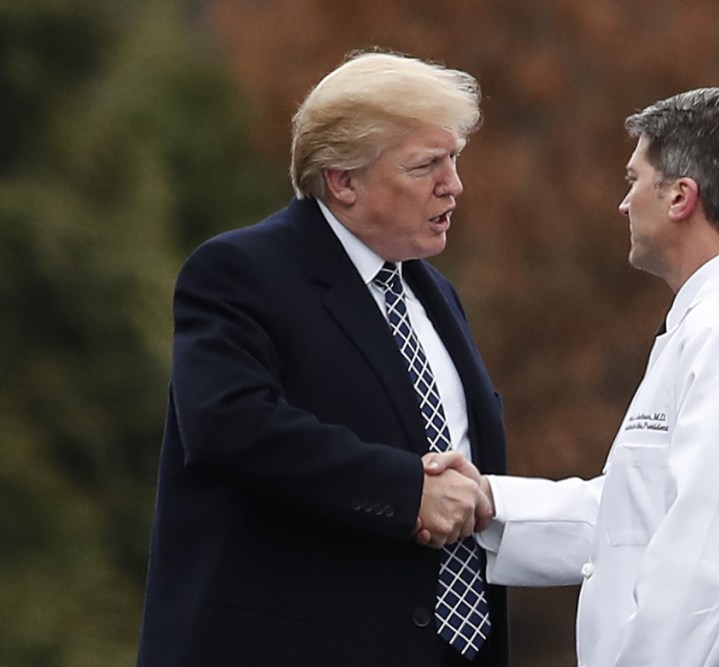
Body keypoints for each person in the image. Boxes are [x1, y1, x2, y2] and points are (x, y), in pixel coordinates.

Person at [427, 87, 719, 667]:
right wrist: (491, 501)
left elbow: (707, 568)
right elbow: (638, 518)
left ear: (680, 196)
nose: (624, 203)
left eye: (634, 179)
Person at [136, 51, 508, 667]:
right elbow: (229, 425)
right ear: (343, 181)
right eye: (426, 165)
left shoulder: (434, 292)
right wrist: (404, 489)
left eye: (454, 159)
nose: (454, 185)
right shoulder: (240, 272)